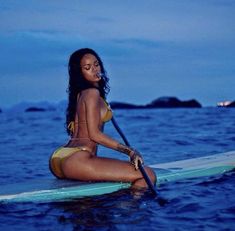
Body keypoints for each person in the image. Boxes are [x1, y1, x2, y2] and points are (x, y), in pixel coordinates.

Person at [49, 48, 156, 188]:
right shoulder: (92, 93)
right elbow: (94, 134)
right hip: (78, 160)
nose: (94, 69)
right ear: (80, 73)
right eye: (87, 68)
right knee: (149, 174)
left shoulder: (81, 94)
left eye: (96, 64)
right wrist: (130, 151)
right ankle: (129, 208)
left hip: (59, 157)